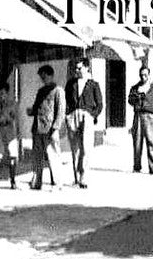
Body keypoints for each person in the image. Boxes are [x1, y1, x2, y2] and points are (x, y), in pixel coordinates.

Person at [65, 58, 103, 189]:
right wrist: (68, 115)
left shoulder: (93, 84)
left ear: (87, 68)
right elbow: (66, 100)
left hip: (87, 116)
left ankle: (84, 177)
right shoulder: (71, 84)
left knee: (86, 147)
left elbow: (100, 104)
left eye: (79, 68)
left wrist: (92, 115)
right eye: (76, 68)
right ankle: (76, 178)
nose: (77, 70)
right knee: (75, 148)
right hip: (73, 115)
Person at [27, 64, 65, 190]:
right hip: (38, 128)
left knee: (53, 156)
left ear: (50, 75)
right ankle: (37, 182)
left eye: (44, 76)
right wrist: (31, 111)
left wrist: (56, 128)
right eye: (41, 77)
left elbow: (60, 111)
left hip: (50, 129)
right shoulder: (41, 91)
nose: (43, 79)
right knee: (37, 157)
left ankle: (57, 183)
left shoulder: (58, 91)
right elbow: (37, 107)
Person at [128, 65, 153, 174]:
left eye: (145, 75)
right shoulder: (135, 88)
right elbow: (130, 100)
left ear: (149, 75)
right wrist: (136, 98)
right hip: (138, 115)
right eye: (141, 75)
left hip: (151, 116)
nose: (143, 77)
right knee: (137, 142)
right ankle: (137, 166)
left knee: (152, 142)